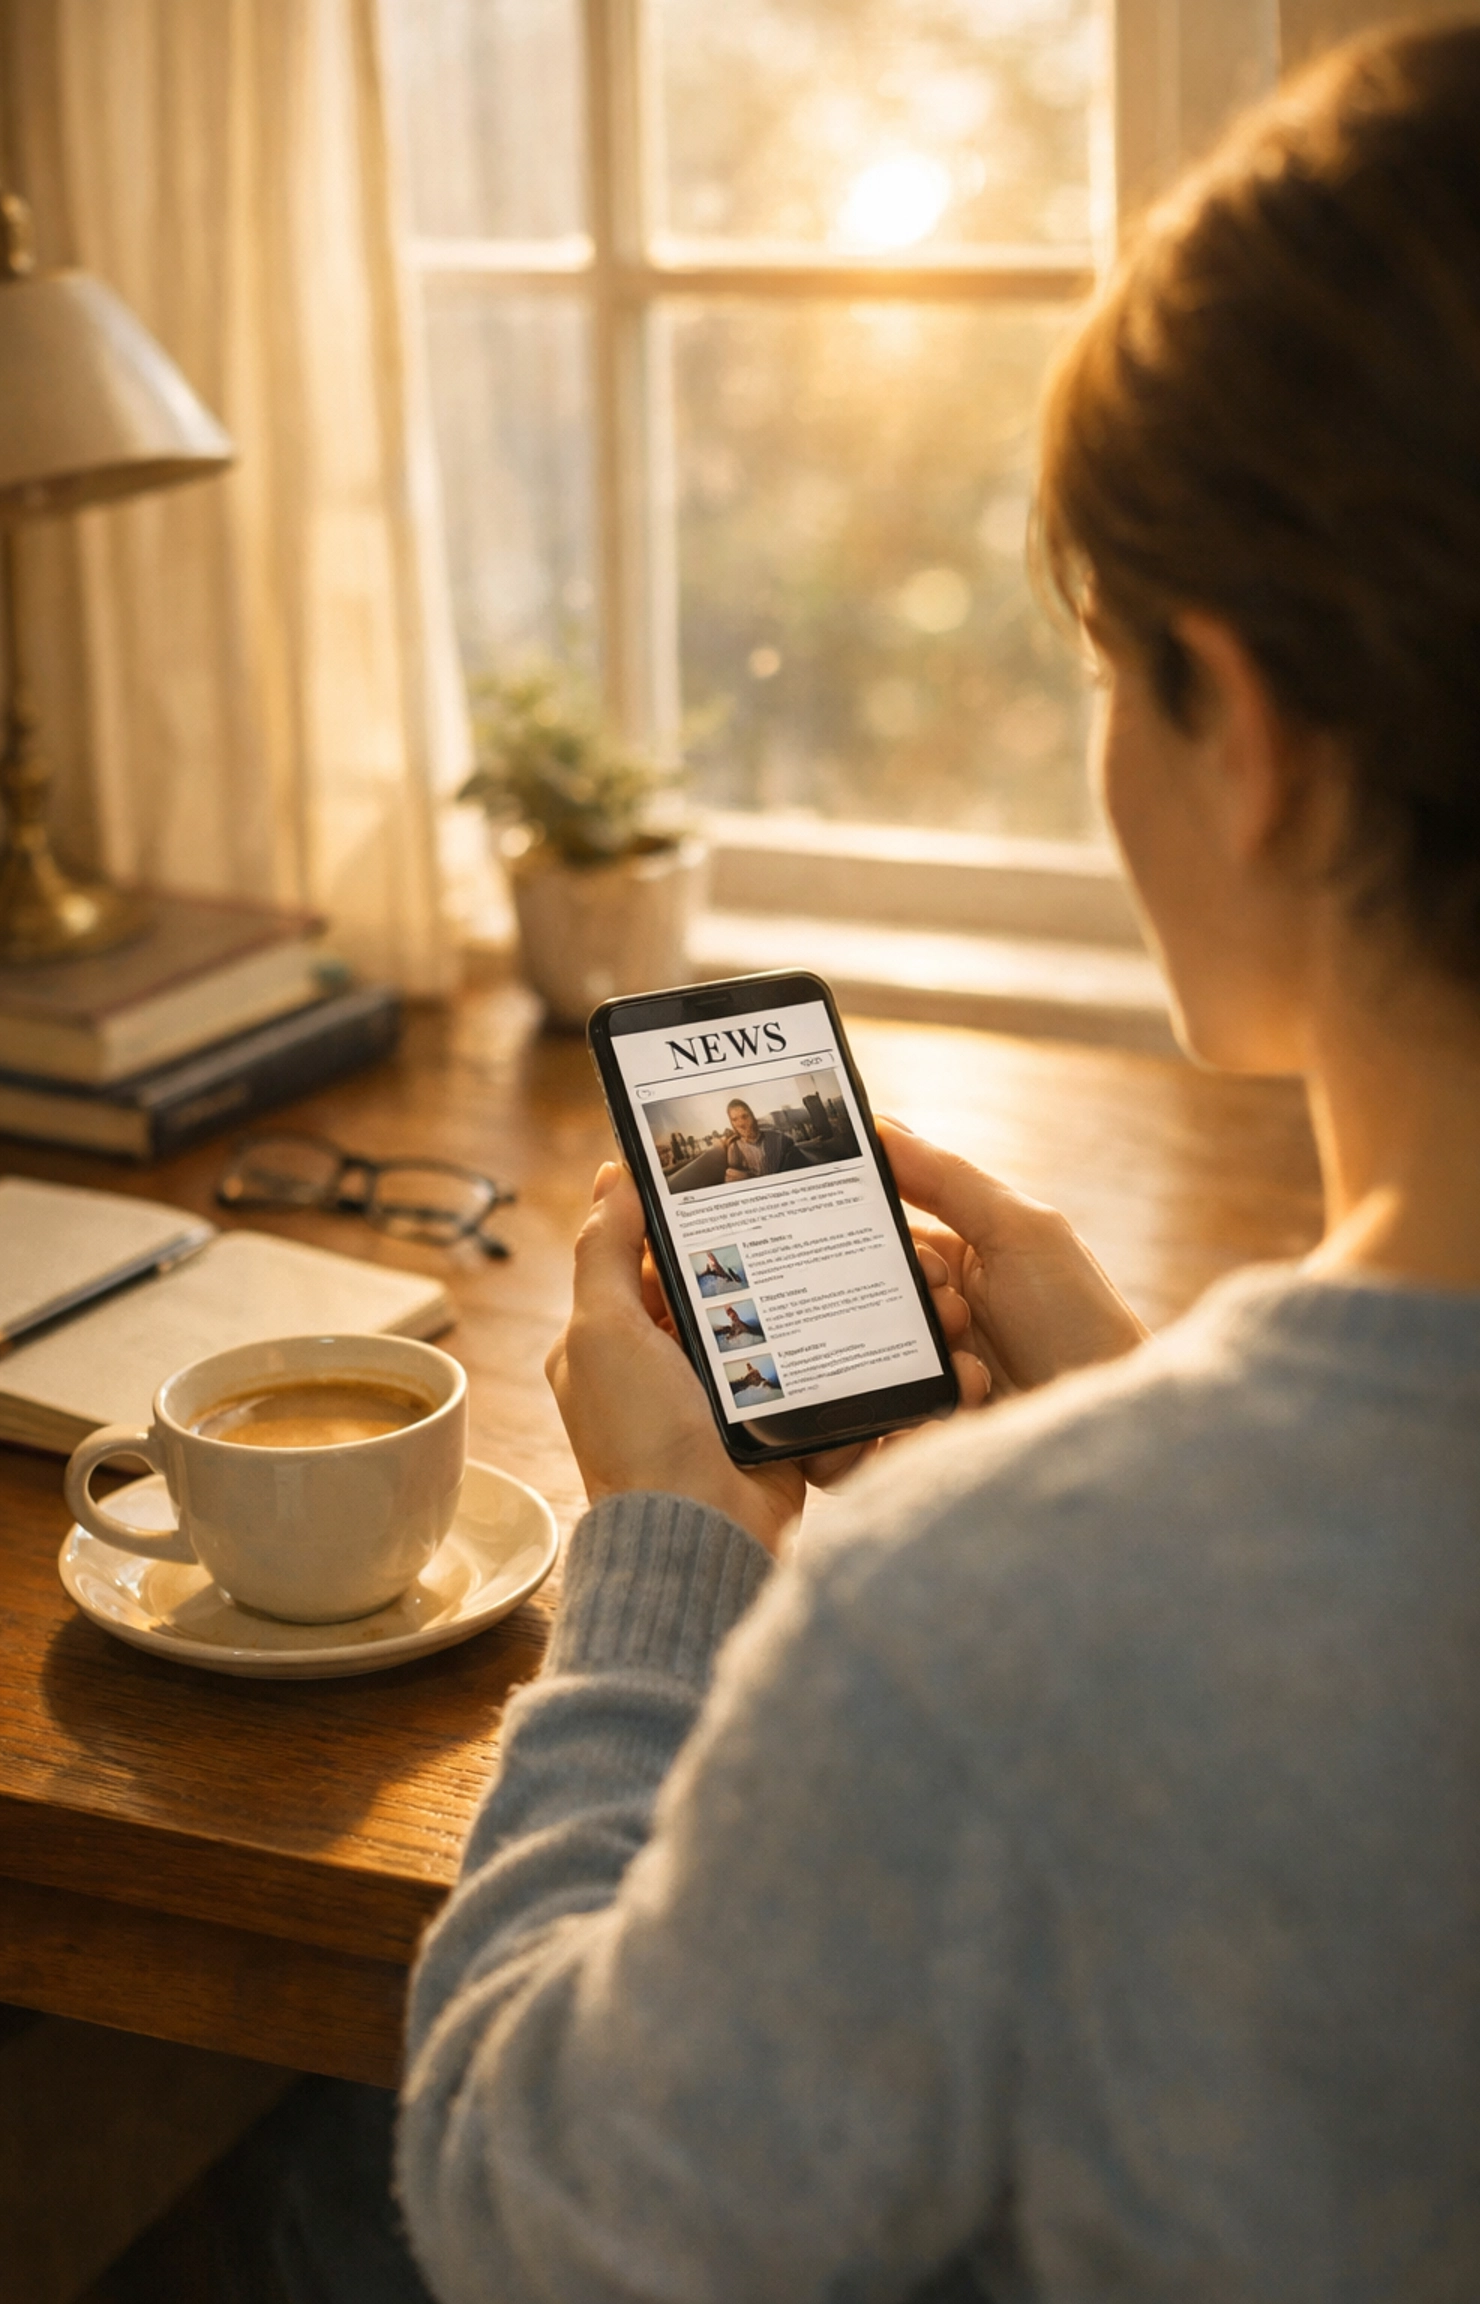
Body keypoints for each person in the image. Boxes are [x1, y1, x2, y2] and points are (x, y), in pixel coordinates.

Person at [398, 25, 1480, 2301]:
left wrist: (666, 1559)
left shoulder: (975, 1621)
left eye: (1101, 665)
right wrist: (1149, 1423)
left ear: (1240, 727)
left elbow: (532, 2216)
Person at [722, 1096, 797, 1182]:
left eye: (745, 1117)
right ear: (732, 1124)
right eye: (735, 1120)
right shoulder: (734, 1148)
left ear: (752, 1116)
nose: (741, 1124)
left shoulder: (778, 1138)